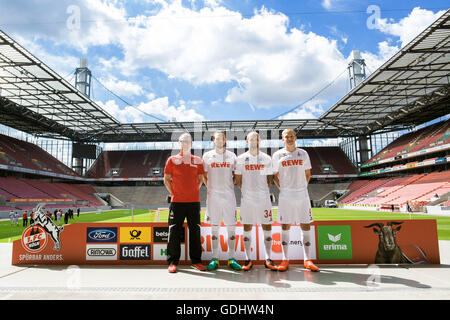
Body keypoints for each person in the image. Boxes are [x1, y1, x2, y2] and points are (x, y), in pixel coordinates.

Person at [272, 128, 319, 272]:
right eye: (287, 136)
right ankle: (285, 259)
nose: (289, 138)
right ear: (282, 139)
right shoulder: (277, 155)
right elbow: (274, 176)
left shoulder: (303, 153)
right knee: (285, 225)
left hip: (302, 195)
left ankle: (307, 260)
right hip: (286, 195)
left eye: (291, 136)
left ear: (295, 138)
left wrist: (301, 188)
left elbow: (308, 174)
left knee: (305, 225)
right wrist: (284, 189)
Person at [164, 132, 206, 273]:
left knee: (195, 231)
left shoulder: (198, 160)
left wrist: (193, 190)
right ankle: (172, 262)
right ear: (179, 143)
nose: (185, 143)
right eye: (182, 141)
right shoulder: (172, 160)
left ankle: (196, 261)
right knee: (174, 231)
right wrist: (174, 193)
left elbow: (200, 179)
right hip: (177, 202)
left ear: (191, 144)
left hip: (194, 202)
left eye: (187, 141)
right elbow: (166, 179)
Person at [234, 131, 277, 271]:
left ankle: (268, 258)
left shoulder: (266, 158)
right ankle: (247, 259)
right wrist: (248, 191)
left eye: (256, 139)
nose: (254, 141)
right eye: (251, 139)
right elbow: (238, 180)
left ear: (260, 141)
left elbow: (270, 180)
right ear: (247, 141)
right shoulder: (241, 158)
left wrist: (260, 191)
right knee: (247, 227)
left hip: (264, 198)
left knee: (267, 226)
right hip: (247, 199)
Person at [202, 131, 241, 271]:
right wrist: (211, 189)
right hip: (213, 197)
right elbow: (204, 176)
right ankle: (215, 258)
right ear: (213, 140)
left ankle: (231, 258)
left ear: (225, 140)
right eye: (216, 138)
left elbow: (236, 176)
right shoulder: (207, 156)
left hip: (229, 196)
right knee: (214, 227)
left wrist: (228, 187)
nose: (219, 140)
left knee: (231, 226)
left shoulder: (232, 156)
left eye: (222, 138)